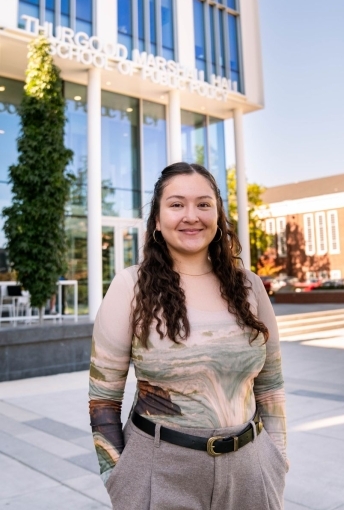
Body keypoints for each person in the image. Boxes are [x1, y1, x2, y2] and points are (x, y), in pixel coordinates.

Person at [89, 162, 288, 510]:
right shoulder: (130, 287)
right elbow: (103, 401)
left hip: (251, 472)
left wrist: (277, 460)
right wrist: (119, 479)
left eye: (204, 204)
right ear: (157, 218)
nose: (191, 216)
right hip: (160, 472)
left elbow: (270, 386)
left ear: (218, 215)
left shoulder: (250, 286)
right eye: (177, 204)